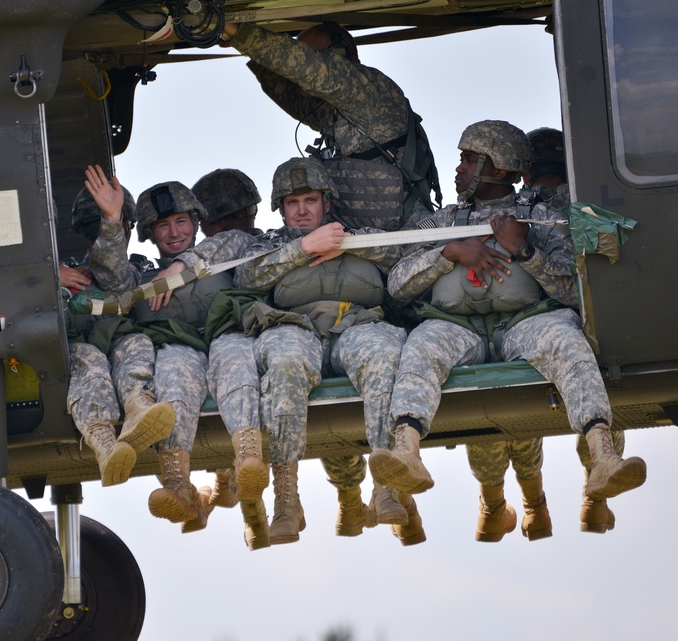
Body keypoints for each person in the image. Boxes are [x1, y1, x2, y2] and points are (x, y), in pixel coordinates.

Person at [370, 120, 647, 541]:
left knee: (567, 339)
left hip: (525, 323)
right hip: (456, 328)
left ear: (498, 169)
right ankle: (406, 451)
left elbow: (574, 290)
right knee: (421, 347)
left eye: (468, 159)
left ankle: (602, 457)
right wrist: (448, 253)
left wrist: (525, 250)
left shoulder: (541, 217)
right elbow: (398, 284)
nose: (459, 169)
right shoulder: (440, 222)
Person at [233, 156, 413, 545]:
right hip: (294, 329)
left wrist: (349, 245)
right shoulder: (270, 245)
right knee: (284, 365)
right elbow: (246, 276)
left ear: (326, 202)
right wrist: (302, 249)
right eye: (292, 203)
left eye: (310, 200)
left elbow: (402, 257)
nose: (301, 210)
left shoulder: (360, 234)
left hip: (356, 325)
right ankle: (286, 498)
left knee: (384, 355)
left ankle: (386, 485)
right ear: (280, 209)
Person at [87, 171, 258, 533]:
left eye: (181, 221)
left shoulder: (222, 250)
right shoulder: (142, 272)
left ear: (197, 222)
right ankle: (178, 483)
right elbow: (112, 275)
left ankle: (248, 461)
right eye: (163, 226)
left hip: (229, 338)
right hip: (180, 347)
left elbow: (236, 239)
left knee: (235, 357)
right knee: (171, 374)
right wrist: (112, 220)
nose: (175, 232)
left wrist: (183, 268)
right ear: (149, 234)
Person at [221, 20, 439, 230]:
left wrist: (239, 33)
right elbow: (288, 94)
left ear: (337, 54)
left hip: (405, 234)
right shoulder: (337, 107)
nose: (298, 77)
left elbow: (305, 68)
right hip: (362, 234)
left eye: (309, 55)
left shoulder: (367, 89)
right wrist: (247, 48)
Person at [522, 126, 625, 534]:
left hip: (524, 320)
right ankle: (594, 495)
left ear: (523, 173)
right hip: (580, 324)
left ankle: (526, 505)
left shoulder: (519, 207)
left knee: (507, 425)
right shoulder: (591, 205)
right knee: (592, 388)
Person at [62, 174, 175, 487]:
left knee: (137, 343)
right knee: (88, 358)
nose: (104, 235)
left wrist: (112, 217)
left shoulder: (134, 270)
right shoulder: (63, 271)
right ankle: (105, 443)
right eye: (94, 228)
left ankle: (138, 408)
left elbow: (115, 276)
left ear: (127, 227)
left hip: (118, 342)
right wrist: (49, 276)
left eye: (116, 226)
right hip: (77, 352)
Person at [190, 167, 271, 549]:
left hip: (243, 345)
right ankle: (237, 501)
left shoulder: (228, 249)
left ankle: (245, 507)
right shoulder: (199, 258)